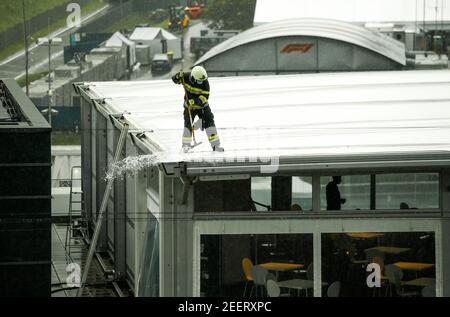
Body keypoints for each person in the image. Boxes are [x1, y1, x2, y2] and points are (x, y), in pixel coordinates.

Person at [172, 66, 224, 152]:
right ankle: (186, 145)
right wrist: (178, 76)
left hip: (202, 107)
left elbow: (204, 98)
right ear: (192, 78)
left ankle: (216, 145)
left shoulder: (205, 83)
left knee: (209, 122)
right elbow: (174, 80)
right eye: (199, 81)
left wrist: (194, 102)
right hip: (189, 108)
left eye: (202, 81)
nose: (201, 82)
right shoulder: (186, 77)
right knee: (188, 124)